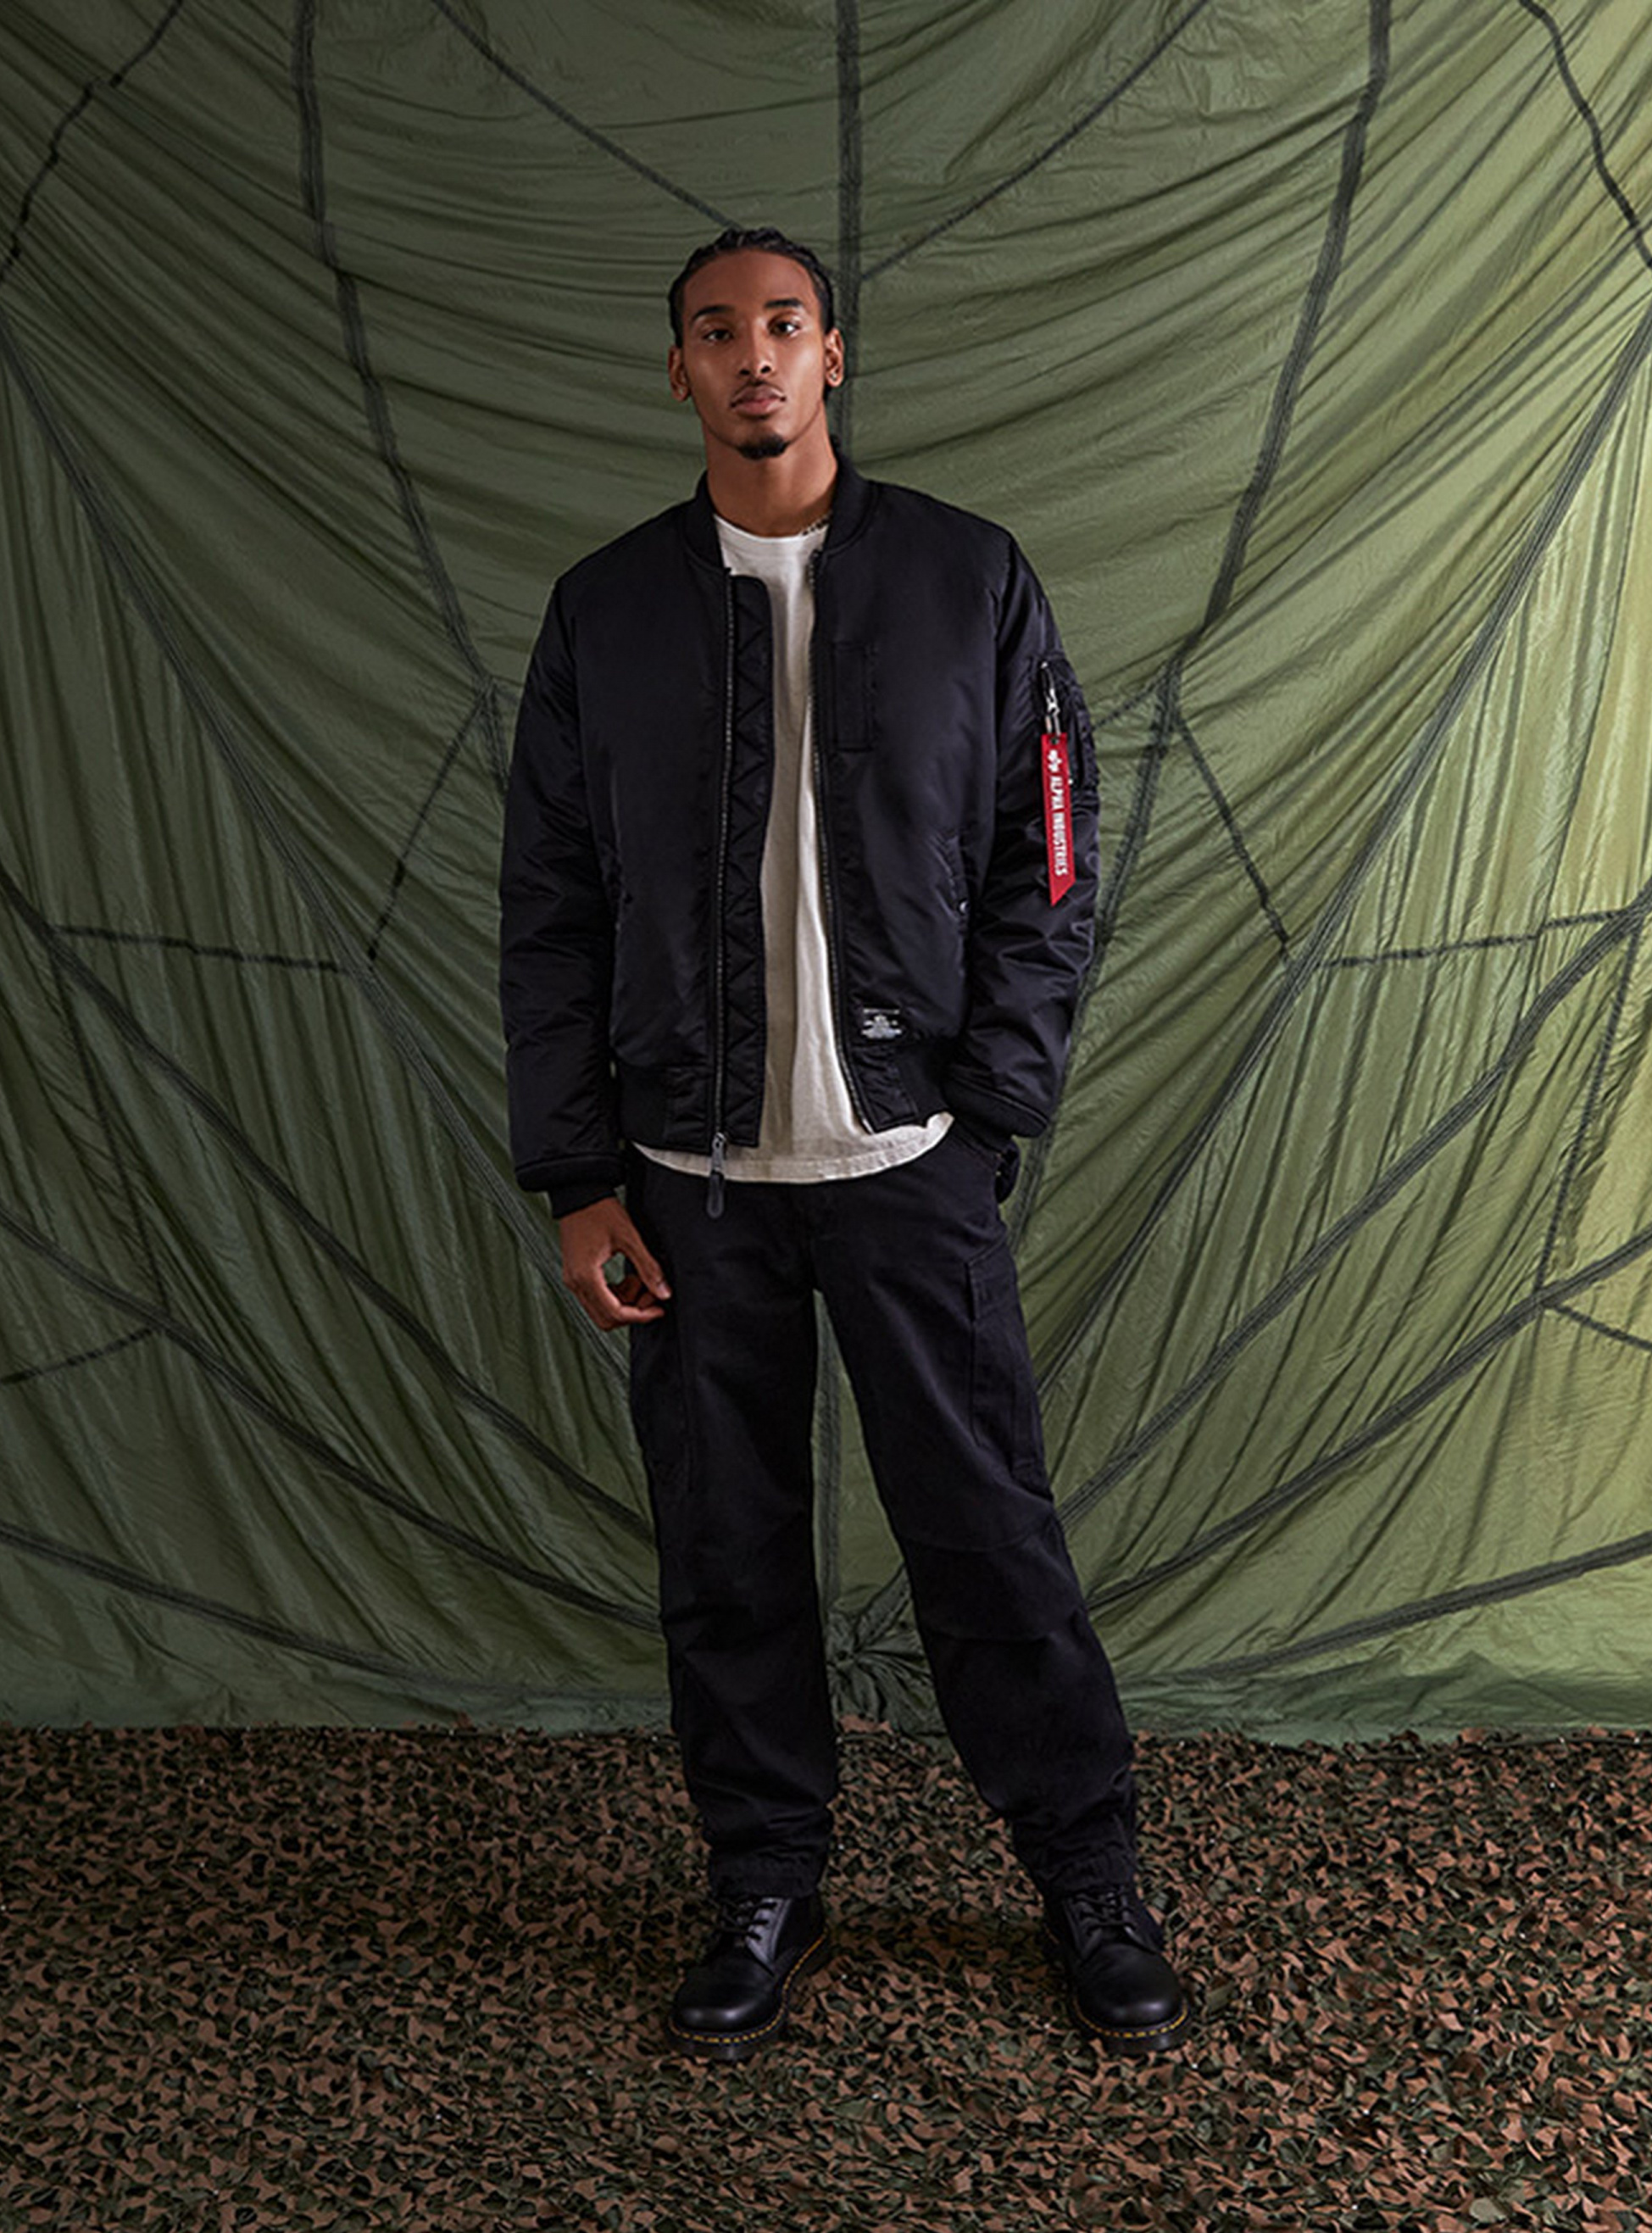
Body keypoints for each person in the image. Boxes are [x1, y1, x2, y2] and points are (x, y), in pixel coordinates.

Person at [499, 226, 1188, 2062]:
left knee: (987, 1537)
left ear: (832, 355)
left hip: (910, 1168)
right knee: (724, 1553)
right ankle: (762, 1879)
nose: (754, 356)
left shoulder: (969, 578)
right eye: (715, 330)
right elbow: (548, 907)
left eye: (784, 324)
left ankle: (1087, 1875)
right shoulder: (606, 613)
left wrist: (990, 1117)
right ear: (677, 370)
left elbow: (1050, 861)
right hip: (684, 1184)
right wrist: (576, 1176)